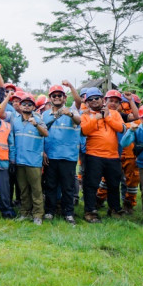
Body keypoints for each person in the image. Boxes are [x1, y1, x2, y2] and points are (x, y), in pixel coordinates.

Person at [80, 87, 125, 222]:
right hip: (93, 155)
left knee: (113, 184)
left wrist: (107, 118)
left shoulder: (114, 113)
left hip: (112, 156)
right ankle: (90, 211)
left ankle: (115, 209)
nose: (94, 101)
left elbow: (122, 128)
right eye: (90, 99)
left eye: (96, 98)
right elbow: (84, 131)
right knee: (91, 184)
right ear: (87, 102)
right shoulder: (85, 115)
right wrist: (96, 118)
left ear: (102, 100)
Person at [42, 84, 81, 224]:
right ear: (50, 98)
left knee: (67, 187)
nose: (57, 98)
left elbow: (79, 120)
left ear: (65, 98)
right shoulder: (45, 115)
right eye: (54, 96)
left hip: (67, 157)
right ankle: (50, 211)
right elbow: (41, 134)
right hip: (50, 156)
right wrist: (43, 152)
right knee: (50, 186)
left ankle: (68, 213)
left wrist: (69, 114)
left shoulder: (73, 112)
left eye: (60, 95)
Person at [10, 94, 49, 224]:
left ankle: (38, 214)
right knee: (23, 189)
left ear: (33, 107)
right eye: (24, 104)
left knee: (36, 190)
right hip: (20, 161)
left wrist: (36, 124)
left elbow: (46, 133)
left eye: (29, 104)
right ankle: (25, 213)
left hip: (34, 161)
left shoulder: (38, 119)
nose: (26, 106)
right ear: (20, 106)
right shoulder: (15, 121)